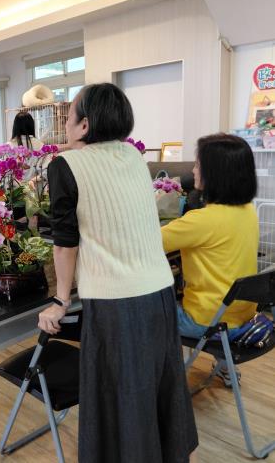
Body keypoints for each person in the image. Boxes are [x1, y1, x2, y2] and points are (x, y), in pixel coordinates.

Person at [38, 83, 198, 463]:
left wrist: (60, 300)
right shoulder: (133, 157)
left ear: (84, 125)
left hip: (115, 302)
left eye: (70, 115)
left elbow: (64, 243)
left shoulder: (64, 165)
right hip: (160, 294)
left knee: (123, 394)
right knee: (155, 386)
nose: (66, 123)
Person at [161, 133, 258, 387]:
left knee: (145, 313)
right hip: (244, 315)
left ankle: (159, 382)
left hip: (204, 321)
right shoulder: (249, 211)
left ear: (215, 173)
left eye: (197, 165)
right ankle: (226, 366)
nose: (193, 171)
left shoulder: (201, 221)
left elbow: (147, 243)